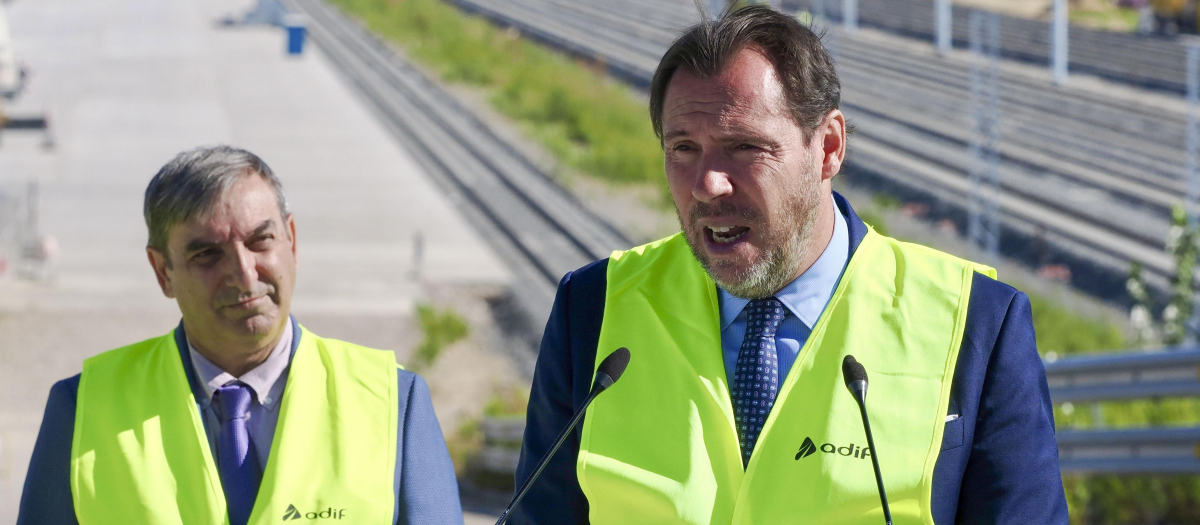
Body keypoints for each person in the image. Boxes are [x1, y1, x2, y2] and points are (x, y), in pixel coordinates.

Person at [514, 6, 1066, 524]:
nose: (708, 183)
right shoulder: (593, 312)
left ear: (828, 147)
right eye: (683, 148)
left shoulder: (975, 325)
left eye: (744, 146)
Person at [17, 146, 464, 525]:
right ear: (162, 272)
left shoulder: (392, 403)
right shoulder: (83, 410)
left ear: (291, 240)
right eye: (208, 254)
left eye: (259, 241)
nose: (244, 274)